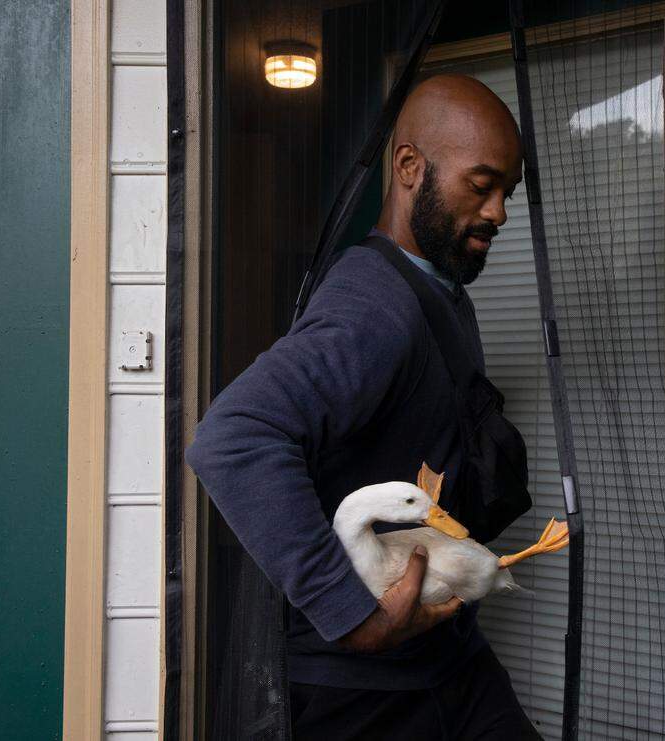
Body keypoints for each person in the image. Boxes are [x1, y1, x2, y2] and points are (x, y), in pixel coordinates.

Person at [185, 74, 540, 739]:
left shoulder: (440, 289)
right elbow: (233, 437)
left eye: (506, 193)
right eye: (481, 184)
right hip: (364, 696)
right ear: (410, 167)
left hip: (450, 661)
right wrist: (353, 614)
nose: (498, 212)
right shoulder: (373, 307)